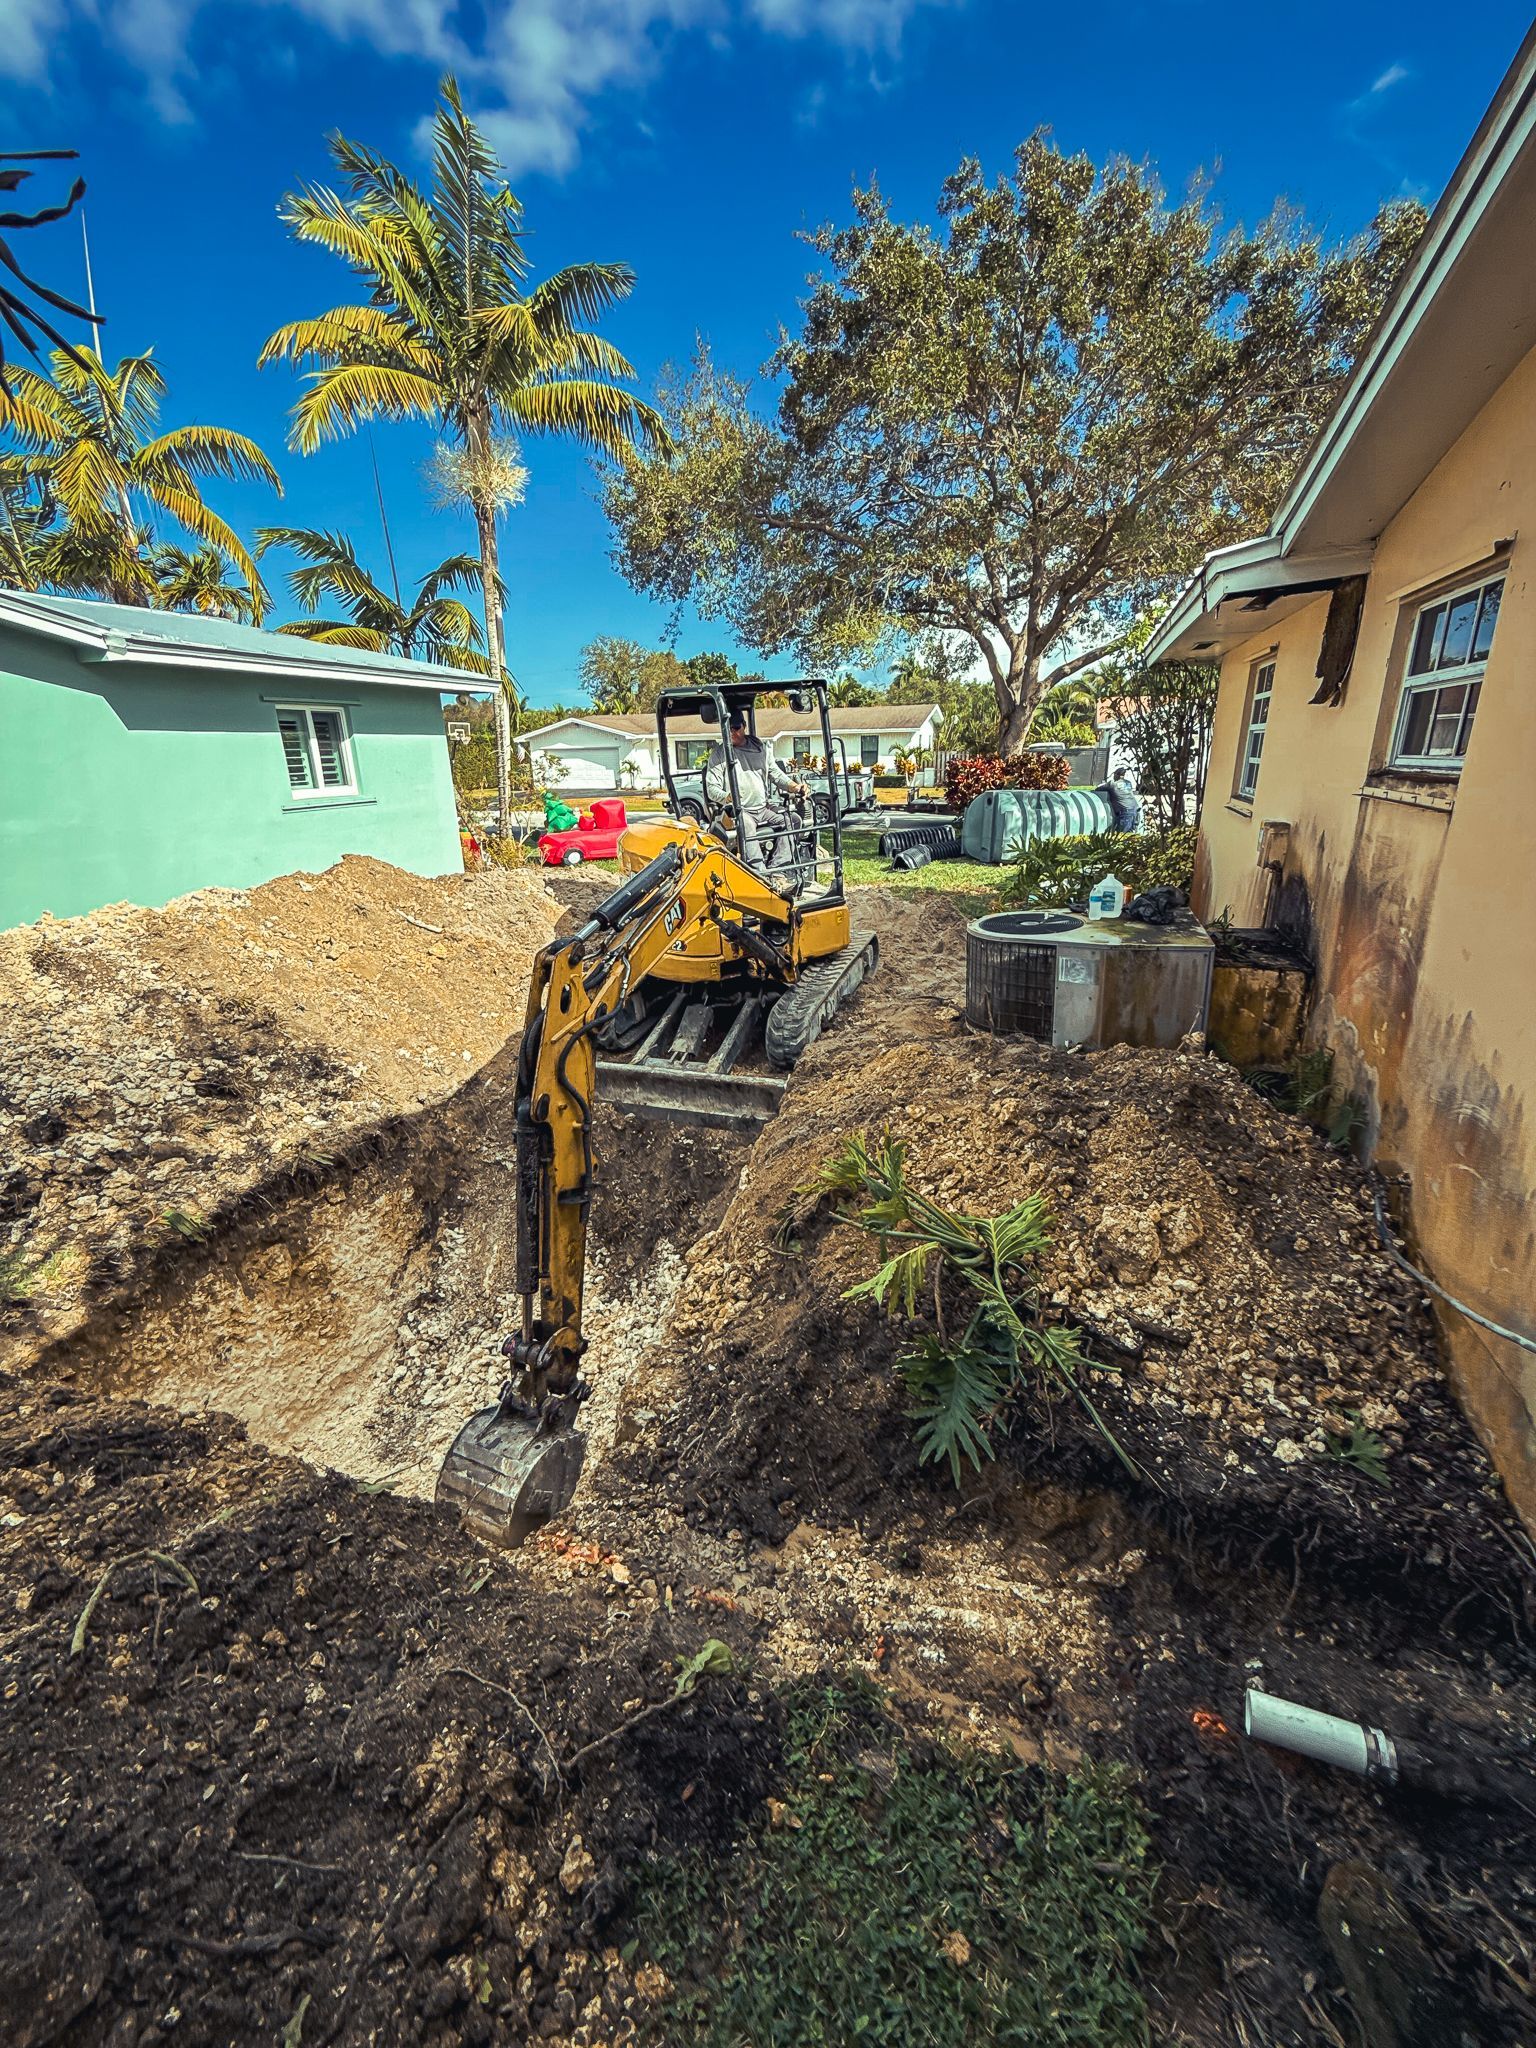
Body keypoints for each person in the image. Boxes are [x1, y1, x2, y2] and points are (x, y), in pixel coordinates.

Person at [704, 710, 804, 867]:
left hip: (764, 808)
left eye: (736, 728)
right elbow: (711, 789)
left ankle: (778, 868)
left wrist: (795, 787)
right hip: (739, 811)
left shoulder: (761, 749)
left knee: (794, 820)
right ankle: (760, 873)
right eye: (728, 728)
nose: (732, 732)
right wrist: (727, 797)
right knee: (747, 825)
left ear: (744, 727)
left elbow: (776, 775)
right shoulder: (719, 755)